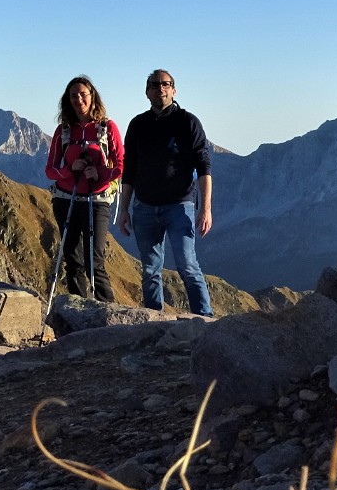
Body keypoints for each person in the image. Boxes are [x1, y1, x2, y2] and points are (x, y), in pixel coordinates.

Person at [116, 69, 214, 317]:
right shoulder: (138, 124)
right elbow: (129, 170)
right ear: (147, 91)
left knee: (188, 267)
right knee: (150, 271)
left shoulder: (187, 121)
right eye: (155, 84)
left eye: (166, 84)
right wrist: (124, 209)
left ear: (174, 90)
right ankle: (154, 322)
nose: (161, 88)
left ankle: (205, 321)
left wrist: (206, 209)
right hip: (145, 206)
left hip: (180, 206)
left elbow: (203, 166)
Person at [45, 76, 123, 301]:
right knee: (72, 260)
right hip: (65, 198)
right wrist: (71, 170)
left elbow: (121, 165)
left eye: (83, 94)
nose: (78, 99)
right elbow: (50, 169)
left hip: (96, 200)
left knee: (94, 261)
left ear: (92, 96)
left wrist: (100, 175)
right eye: (73, 96)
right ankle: (78, 314)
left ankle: (106, 315)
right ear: (67, 100)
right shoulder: (64, 131)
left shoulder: (107, 127)